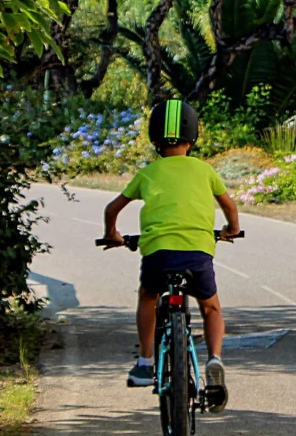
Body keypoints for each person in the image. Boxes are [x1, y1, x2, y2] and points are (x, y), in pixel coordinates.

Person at [102, 98, 241, 410]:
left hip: (159, 255)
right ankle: (215, 358)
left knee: (148, 296)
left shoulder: (148, 173)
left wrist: (113, 234)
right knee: (211, 309)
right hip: (197, 254)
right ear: (192, 139)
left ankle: (145, 362)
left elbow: (112, 208)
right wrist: (231, 229)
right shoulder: (205, 171)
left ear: (154, 141)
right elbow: (230, 207)